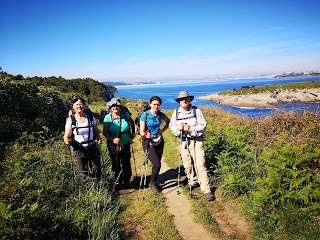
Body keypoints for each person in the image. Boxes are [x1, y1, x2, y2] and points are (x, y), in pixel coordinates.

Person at [169, 91, 215, 201]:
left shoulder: (196, 111)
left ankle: (206, 189)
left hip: (196, 141)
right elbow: (172, 126)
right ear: (179, 101)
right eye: (181, 99)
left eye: (186, 98)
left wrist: (190, 129)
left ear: (189, 99)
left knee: (200, 164)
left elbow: (203, 126)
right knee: (187, 164)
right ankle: (192, 181)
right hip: (183, 142)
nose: (183, 101)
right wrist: (178, 130)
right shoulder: (176, 113)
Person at [64, 97, 102, 181]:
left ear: (84, 106)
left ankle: (98, 189)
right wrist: (67, 140)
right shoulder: (71, 120)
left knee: (96, 170)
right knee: (83, 173)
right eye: (76, 104)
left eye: (80, 104)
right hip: (79, 149)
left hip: (92, 147)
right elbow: (67, 135)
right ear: (73, 107)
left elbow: (96, 130)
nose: (79, 106)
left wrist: (98, 138)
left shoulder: (91, 118)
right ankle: (87, 190)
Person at [139, 96, 170, 193]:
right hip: (148, 142)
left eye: (158, 105)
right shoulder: (145, 115)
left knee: (157, 164)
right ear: (150, 104)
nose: (156, 107)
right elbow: (141, 131)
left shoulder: (161, 114)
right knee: (157, 163)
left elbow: (168, 122)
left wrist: (162, 130)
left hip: (159, 140)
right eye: (154, 104)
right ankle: (152, 183)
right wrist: (145, 134)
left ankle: (155, 181)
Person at [103, 98, 135, 188]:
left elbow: (132, 123)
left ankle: (127, 181)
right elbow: (105, 132)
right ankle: (118, 181)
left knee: (126, 161)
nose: (115, 107)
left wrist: (132, 134)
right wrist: (112, 140)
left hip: (125, 142)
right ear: (110, 107)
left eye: (117, 106)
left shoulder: (125, 114)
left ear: (120, 107)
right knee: (115, 162)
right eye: (113, 106)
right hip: (113, 143)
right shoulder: (108, 117)